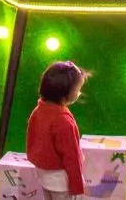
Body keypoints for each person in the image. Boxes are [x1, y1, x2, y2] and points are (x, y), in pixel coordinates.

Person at [27, 60, 88, 200]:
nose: (79, 93)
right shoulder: (64, 122)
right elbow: (71, 157)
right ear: (65, 95)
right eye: (78, 90)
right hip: (62, 182)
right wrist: (77, 186)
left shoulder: (38, 110)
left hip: (44, 176)